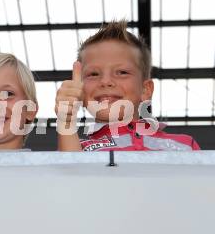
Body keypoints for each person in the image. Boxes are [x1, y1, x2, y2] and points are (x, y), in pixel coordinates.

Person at [56, 20, 200, 151]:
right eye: (93, 74)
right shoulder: (79, 149)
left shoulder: (185, 145)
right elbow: (73, 175)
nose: (105, 81)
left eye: (122, 72)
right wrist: (66, 121)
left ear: (146, 89)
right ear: (80, 90)